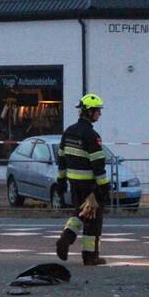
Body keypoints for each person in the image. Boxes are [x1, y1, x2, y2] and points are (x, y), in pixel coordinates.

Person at [55, 93, 110, 265]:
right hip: (90, 185)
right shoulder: (91, 135)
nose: (99, 114)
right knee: (93, 219)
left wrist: (61, 181)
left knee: (80, 213)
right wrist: (104, 187)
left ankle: (70, 241)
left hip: (74, 183)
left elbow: (61, 159)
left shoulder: (68, 132)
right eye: (97, 111)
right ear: (89, 112)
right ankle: (89, 255)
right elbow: (98, 165)